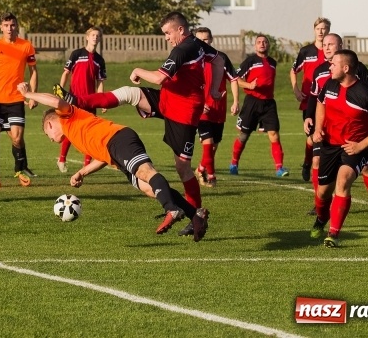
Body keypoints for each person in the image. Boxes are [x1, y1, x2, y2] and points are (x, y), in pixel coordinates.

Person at [55, 12, 224, 210]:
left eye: (168, 33)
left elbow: (159, 78)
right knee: (129, 93)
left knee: (182, 167)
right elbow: (219, 60)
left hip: (183, 112)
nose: (167, 38)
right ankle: (76, 99)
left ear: (180, 29)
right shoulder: (196, 43)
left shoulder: (183, 49)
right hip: (168, 100)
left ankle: (196, 213)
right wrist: (213, 90)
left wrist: (137, 70)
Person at [18, 83, 210, 241]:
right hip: (114, 152)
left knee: (146, 172)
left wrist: (29, 94)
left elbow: (55, 101)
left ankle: (171, 209)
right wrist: (82, 172)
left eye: (47, 134)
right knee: (149, 188)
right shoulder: (75, 134)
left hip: (119, 139)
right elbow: (101, 157)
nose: (50, 139)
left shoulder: (67, 116)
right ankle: (196, 215)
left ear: (50, 124)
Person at [309, 50, 368, 248]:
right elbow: (321, 103)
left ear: (346, 68)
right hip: (329, 145)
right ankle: (321, 220)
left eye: (334, 64)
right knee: (322, 194)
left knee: (343, 180)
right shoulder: (329, 84)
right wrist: (319, 129)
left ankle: (333, 234)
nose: (329, 67)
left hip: (355, 147)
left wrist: (361, 146)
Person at [305, 33, 368, 214]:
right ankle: (319, 204)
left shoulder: (358, 68)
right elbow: (316, 97)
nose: (326, 47)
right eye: (324, 44)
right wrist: (310, 119)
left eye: (331, 44)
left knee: (365, 167)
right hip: (328, 130)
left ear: (340, 46)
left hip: (354, 129)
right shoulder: (319, 70)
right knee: (317, 161)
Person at [0, 12, 38, 189]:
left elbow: (33, 71)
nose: (9, 28)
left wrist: (32, 95)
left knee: (17, 139)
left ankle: (19, 170)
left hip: (16, 99)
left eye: (12, 25)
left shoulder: (26, 46)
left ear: (16, 26)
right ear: (1, 27)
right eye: (6, 25)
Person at [229, 34, 289, 177]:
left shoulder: (273, 63)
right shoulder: (250, 61)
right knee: (244, 135)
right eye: (259, 42)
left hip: (268, 103)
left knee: (274, 134)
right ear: (255, 46)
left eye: (265, 42)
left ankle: (279, 168)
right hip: (252, 102)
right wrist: (249, 85)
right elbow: (235, 79)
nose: (262, 44)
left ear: (268, 45)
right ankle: (234, 163)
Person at [192, 27, 240, 188]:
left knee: (213, 147)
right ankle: (211, 176)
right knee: (208, 142)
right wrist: (198, 103)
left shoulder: (221, 58)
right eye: (199, 40)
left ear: (211, 40)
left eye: (206, 39)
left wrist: (235, 101)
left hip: (219, 110)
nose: (203, 42)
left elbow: (233, 79)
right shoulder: (193, 59)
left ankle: (200, 169)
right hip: (202, 111)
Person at [56, 27, 107, 173]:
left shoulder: (99, 60)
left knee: (89, 132)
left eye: (98, 35)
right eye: (93, 35)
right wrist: (60, 90)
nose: (95, 37)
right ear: (87, 37)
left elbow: (100, 82)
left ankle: (86, 165)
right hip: (74, 99)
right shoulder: (77, 54)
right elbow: (66, 73)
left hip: (90, 101)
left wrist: (102, 100)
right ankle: (62, 159)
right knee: (71, 130)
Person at [290, 18, 330, 181]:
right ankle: (308, 163)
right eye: (318, 28)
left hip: (330, 102)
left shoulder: (331, 52)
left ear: (329, 30)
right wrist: (296, 90)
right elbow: (293, 71)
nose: (321, 31)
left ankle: (322, 164)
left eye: (324, 28)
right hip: (310, 101)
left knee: (324, 135)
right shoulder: (306, 51)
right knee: (311, 136)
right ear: (314, 30)